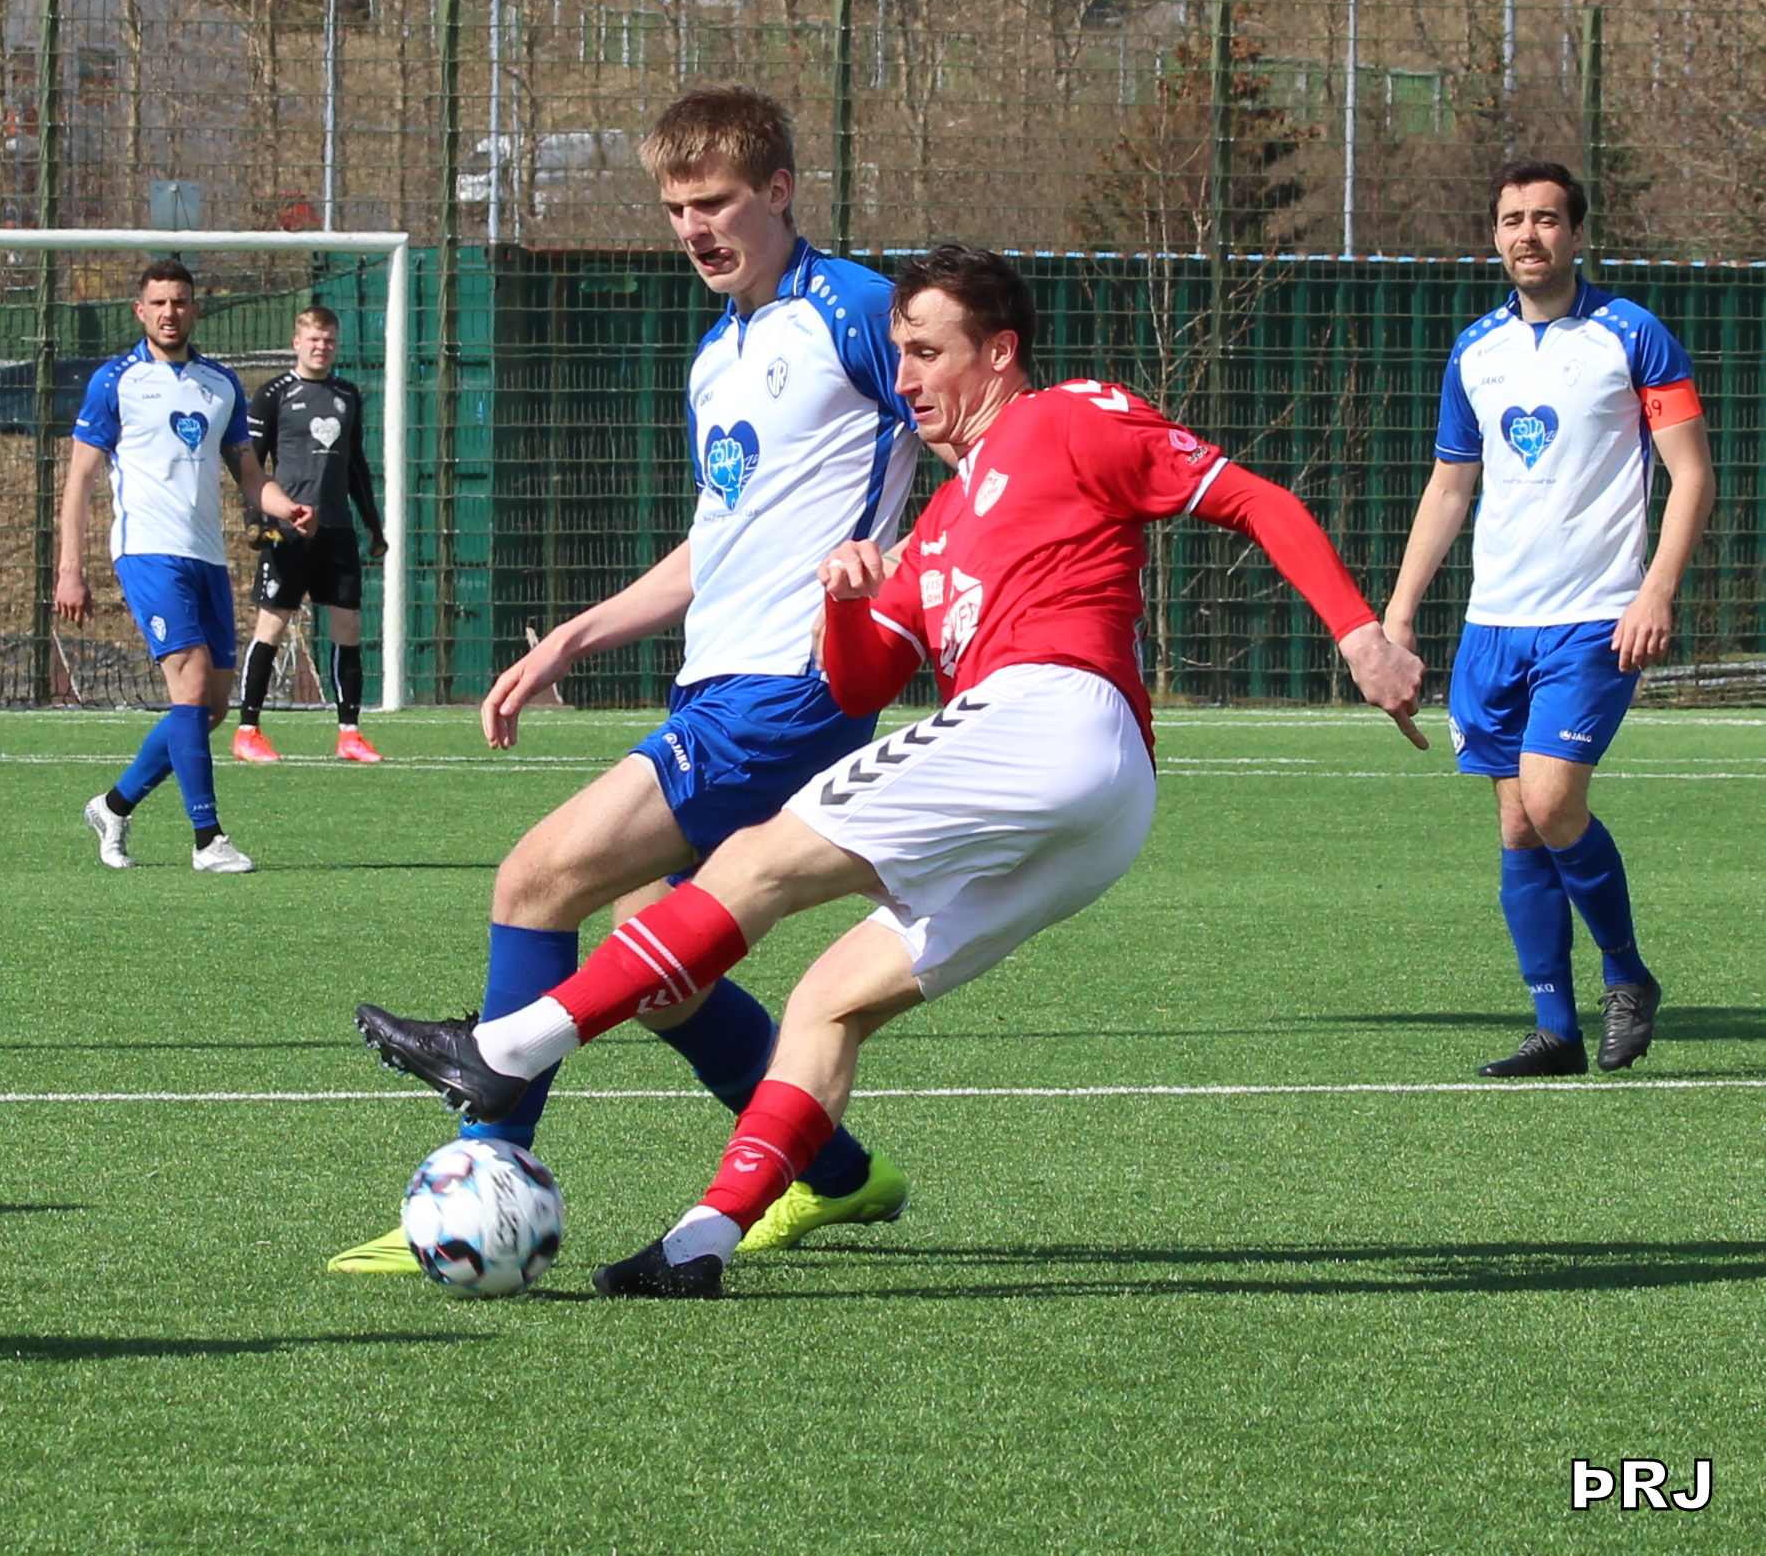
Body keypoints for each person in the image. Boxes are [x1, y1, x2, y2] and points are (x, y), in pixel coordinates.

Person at [355, 244, 1426, 1297]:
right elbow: (865, 675)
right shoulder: (936, 529)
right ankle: (699, 1246)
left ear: (999, 353)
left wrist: (1358, 633)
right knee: (829, 1002)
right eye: (900, 353)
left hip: (1055, 712)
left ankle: (506, 1047)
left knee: (756, 861)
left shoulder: (1069, 417)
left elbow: (1254, 499)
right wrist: (846, 598)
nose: (906, 376)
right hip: (1088, 807)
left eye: (927, 352)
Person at [327, 84, 923, 1277]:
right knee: (662, 968)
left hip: (793, 690)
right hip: (719, 685)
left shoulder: (857, 311)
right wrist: (572, 639)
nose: (696, 228)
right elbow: (715, 546)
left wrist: (910, 571)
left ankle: (481, 1180)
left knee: (538, 877)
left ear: (780, 191)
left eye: (718, 202)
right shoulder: (719, 354)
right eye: (676, 208)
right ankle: (839, 1175)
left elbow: (985, 441)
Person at [1381, 160, 1712, 1079]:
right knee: (1517, 824)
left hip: (1595, 617)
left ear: (1576, 233)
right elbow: (1449, 487)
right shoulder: (1474, 351)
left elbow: (1690, 472)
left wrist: (1655, 588)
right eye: (1511, 220)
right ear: (1493, 235)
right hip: (1493, 626)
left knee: (1550, 796)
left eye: (1545, 218)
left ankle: (1626, 975)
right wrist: (1398, 614)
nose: (1527, 234)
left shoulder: (1631, 335)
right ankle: (1554, 1028)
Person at [58, 259, 316, 873]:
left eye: (179, 301)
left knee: (210, 708)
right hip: (146, 550)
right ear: (140, 312)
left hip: (206, 555)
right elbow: (80, 480)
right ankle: (208, 840)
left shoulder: (219, 383)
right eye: (158, 303)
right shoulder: (115, 382)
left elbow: (248, 473)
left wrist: (284, 507)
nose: (169, 312)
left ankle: (114, 806)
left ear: (195, 309)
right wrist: (70, 567)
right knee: (192, 684)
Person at [233, 305, 388, 764]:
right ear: (297, 342)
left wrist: (372, 524)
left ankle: (349, 734)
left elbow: (355, 465)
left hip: (337, 529)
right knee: (273, 624)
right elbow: (250, 466)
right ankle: (247, 730)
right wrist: (258, 520)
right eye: (314, 340)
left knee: (348, 626)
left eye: (329, 340)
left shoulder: (347, 394)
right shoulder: (273, 394)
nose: (322, 348)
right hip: (289, 531)